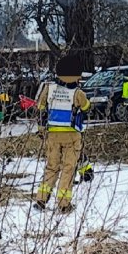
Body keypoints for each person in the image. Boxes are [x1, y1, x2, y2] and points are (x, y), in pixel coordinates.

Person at [34, 73, 91, 213]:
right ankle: (64, 204)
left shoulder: (49, 88)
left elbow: (40, 107)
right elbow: (86, 107)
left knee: (51, 167)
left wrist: (41, 128)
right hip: (71, 135)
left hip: (52, 134)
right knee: (68, 168)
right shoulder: (78, 92)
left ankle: (41, 199)